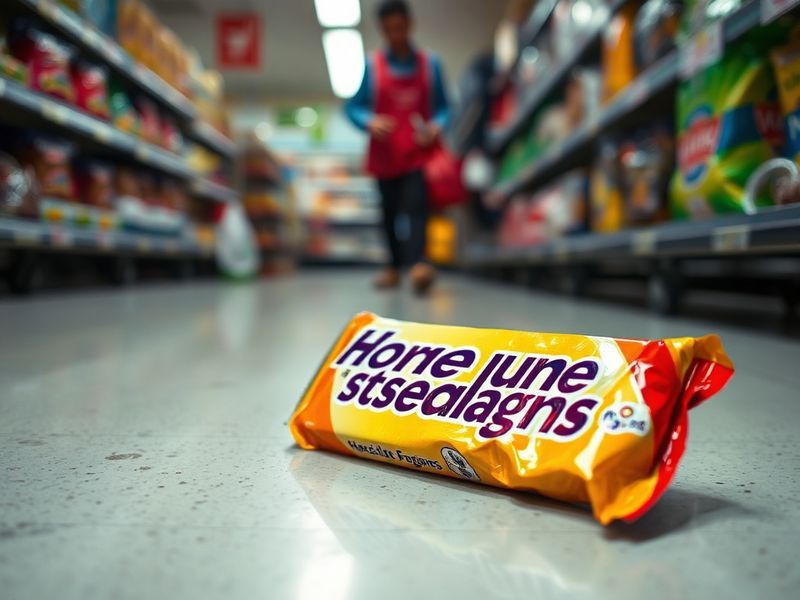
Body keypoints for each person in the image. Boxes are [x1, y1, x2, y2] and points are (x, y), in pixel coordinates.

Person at [345, 0, 450, 294]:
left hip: (417, 155)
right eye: (389, 29)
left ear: (409, 25)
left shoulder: (431, 65)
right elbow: (352, 107)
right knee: (388, 212)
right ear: (382, 30)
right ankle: (392, 267)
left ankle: (417, 264)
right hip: (384, 156)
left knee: (418, 208)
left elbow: (443, 107)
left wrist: (436, 127)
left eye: (399, 27)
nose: (395, 34)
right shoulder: (372, 66)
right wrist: (369, 121)